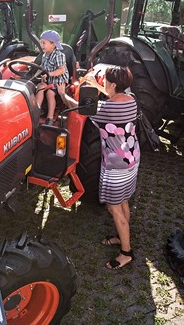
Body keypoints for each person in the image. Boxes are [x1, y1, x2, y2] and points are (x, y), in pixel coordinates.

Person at [58, 65, 140, 270]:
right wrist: (98, 86)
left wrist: (62, 94)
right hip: (132, 157)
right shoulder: (131, 100)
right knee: (123, 201)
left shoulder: (106, 110)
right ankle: (121, 238)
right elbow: (114, 96)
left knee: (114, 207)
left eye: (104, 82)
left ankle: (126, 252)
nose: (102, 83)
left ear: (112, 84)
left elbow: (78, 107)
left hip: (115, 163)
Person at [36, 30, 68, 125]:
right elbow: (42, 68)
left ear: (53, 45)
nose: (41, 45)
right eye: (41, 42)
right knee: (40, 86)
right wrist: (35, 76)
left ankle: (50, 118)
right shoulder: (45, 55)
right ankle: (36, 111)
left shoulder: (59, 55)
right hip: (49, 80)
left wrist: (49, 74)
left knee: (50, 93)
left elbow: (61, 70)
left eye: (44, 43)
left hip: (59, 81)